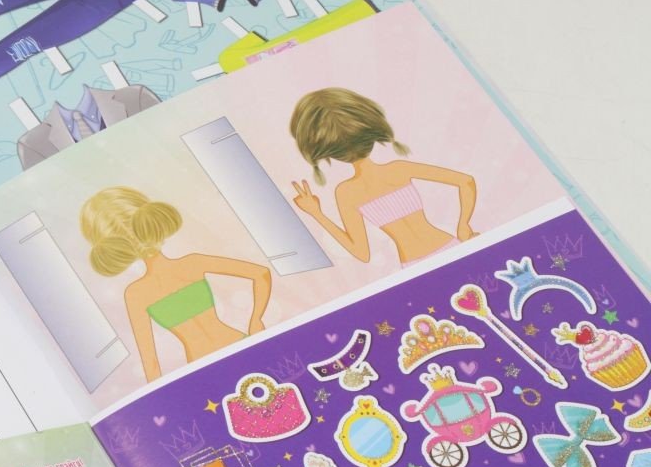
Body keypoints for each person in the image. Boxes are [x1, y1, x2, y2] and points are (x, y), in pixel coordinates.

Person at [80, 187, 271, 382]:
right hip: (234, 347)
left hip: (205, 367)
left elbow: (151, 364)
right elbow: (261, 273)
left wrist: (256, 320)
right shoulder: (192, 263)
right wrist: (256, 319)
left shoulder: (136, 294)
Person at [288, 87, 478, 266]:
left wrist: (317, 214)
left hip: (414, 264)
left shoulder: (346, 192)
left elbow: (362, 254)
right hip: (449, 246)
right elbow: (466, 181)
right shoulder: (398, 169)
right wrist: (464, 224)